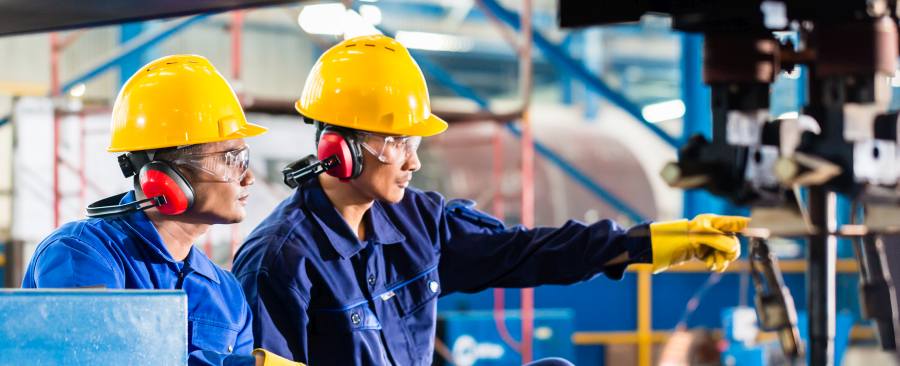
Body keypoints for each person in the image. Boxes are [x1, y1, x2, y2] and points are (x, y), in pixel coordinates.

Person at [232, 35, 749, 365]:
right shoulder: (282, 259)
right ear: (336, 150)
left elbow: (526, 252)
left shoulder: (419, 221)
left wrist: (644, 245)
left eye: (416, 143)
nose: (412, 162)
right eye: (397, 143)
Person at [22, 55, 299, 366]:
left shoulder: (226, 293)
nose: (248, 177)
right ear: (164, 178)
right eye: (230, 159)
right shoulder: (82, 255)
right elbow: (92, 358)